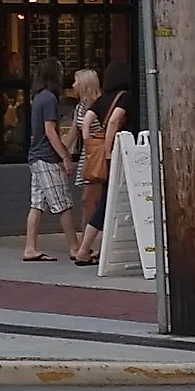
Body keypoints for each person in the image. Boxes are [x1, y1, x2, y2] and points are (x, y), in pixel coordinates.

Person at [76, 61, 134, 266]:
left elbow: (86, 121)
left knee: (108, 201)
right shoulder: (125, 97)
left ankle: (101, 249)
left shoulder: (101, 100)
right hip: (120, 156)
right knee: (108, 203)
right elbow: (114, 121)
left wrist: (88, 141)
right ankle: (84, 250)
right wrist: (109, 150)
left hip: (107, 158)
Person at [21, 59, 78, 261]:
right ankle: (75, 248)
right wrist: (65, 156)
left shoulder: (37, 98)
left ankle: (30, 248)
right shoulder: (50, 99)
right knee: (64, 204)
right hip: (47, 158)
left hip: (35, 157)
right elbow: (51, 132)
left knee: (37, 204)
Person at [65, 68, 101, 259]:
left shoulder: (98, 105)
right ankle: (86, 245)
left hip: (96, 157)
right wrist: (63, 152)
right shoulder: (80, 107)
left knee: (89, 200)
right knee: (89, 201)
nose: (73, 85)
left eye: (76, 82)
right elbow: (73, 131)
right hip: (87, 158)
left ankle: (85, 245)